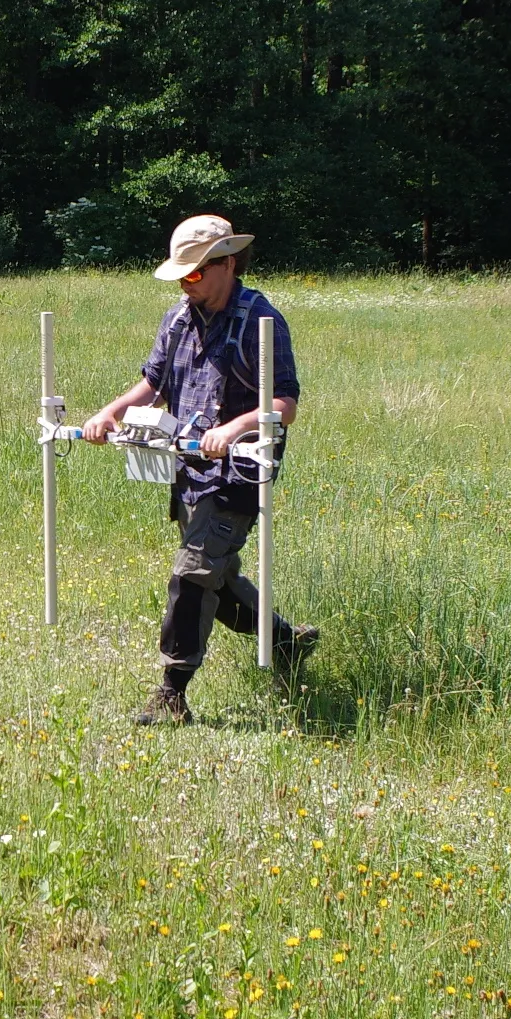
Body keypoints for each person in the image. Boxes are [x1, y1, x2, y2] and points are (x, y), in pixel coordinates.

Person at [80, 213, 317, 725]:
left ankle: (171, 694)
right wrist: (109, 412)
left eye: (194, 275)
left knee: (193, 573)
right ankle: (287, 642)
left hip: (240, 470)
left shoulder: (260, 320)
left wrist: (233, 430)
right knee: (217, 578)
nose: (187, 286)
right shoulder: (178, 319)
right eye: (181, 277)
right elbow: (153, 384)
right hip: (187, 466)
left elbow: (285, 403)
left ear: (227, 263)